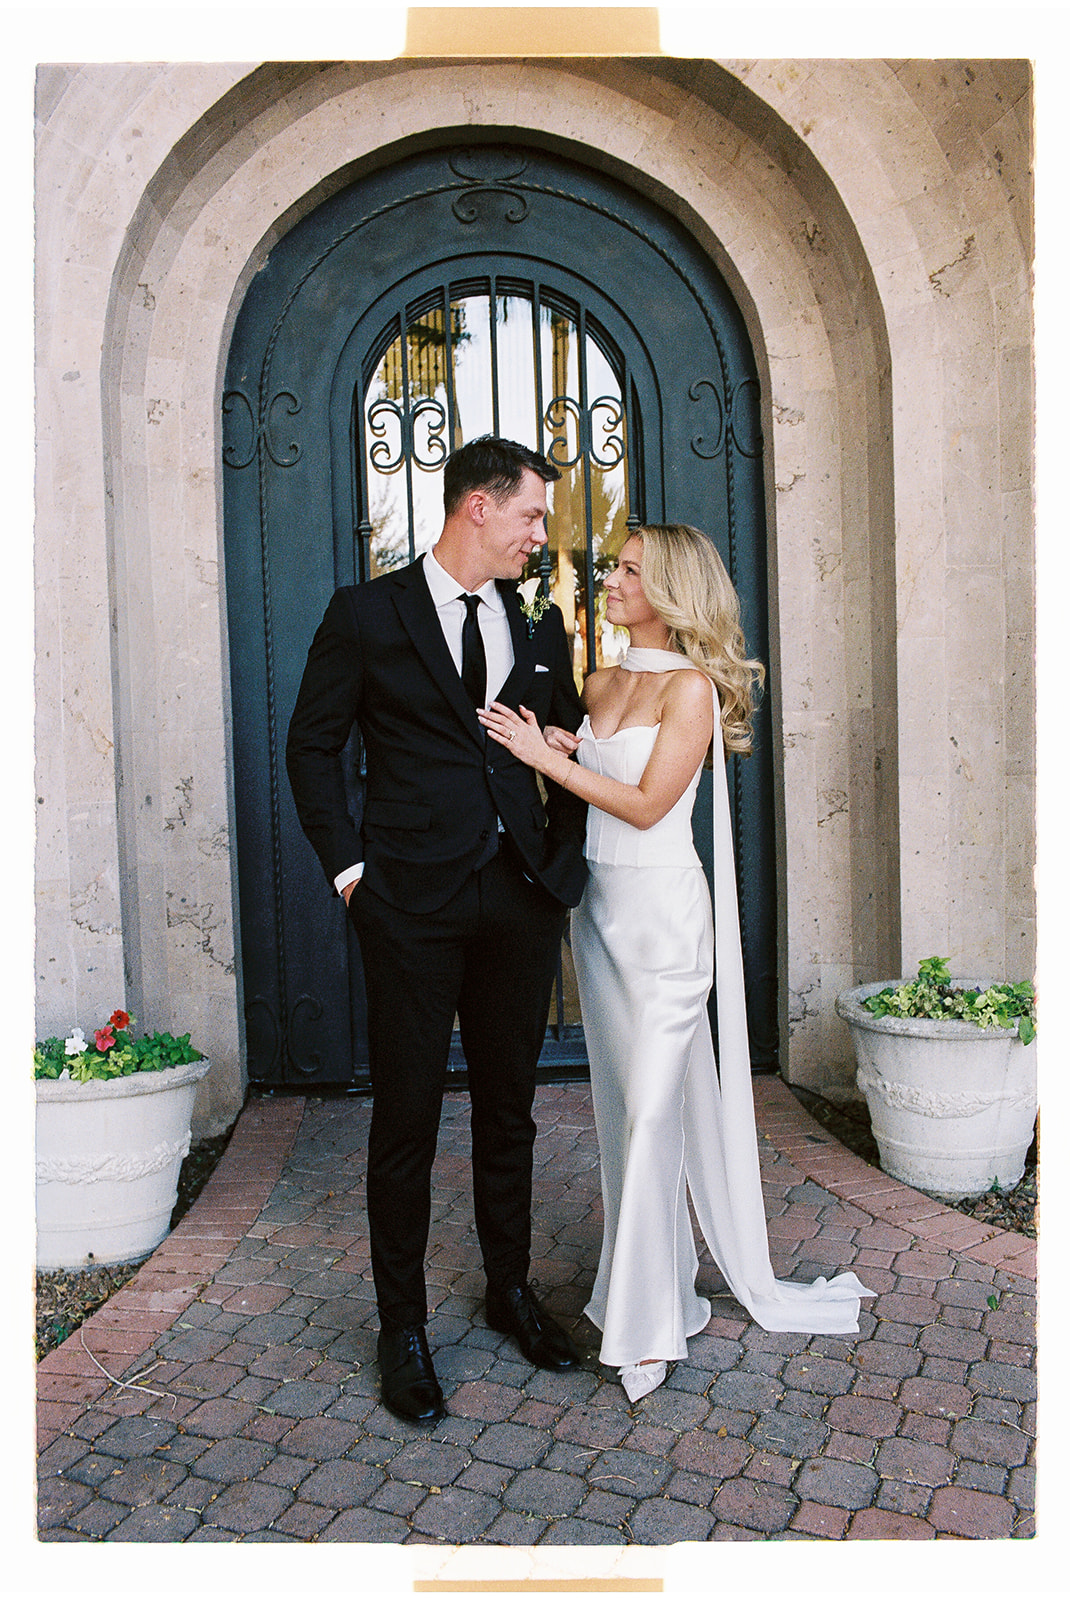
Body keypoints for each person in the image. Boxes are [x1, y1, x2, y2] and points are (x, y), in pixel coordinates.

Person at [479, 524, 873, 1401]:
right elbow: (595, 789)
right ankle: (651, 1286)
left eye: (627, 571)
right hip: (602, 918)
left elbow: (653, 806)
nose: (610, 581)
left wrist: (549, 758)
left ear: (670, 592)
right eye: (615, 568)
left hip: (664, 923)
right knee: (625, 1117)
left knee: (655, 1115)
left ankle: (648, 1328)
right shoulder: (600, 679)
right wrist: (558, 752)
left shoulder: (690, 689)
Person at [286, 436, 589, 1425]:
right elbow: (311, 744)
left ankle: (509, 1294)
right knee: (405, 1118)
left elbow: (567, 740)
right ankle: (401, 1327)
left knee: (510, 1109)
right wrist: (349, 871)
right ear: (475, 508)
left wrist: (562, 860)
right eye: (530, 515)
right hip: (404, 903)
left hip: (516, 898)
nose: (539, 534)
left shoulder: (537, 619)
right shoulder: (366, 613)